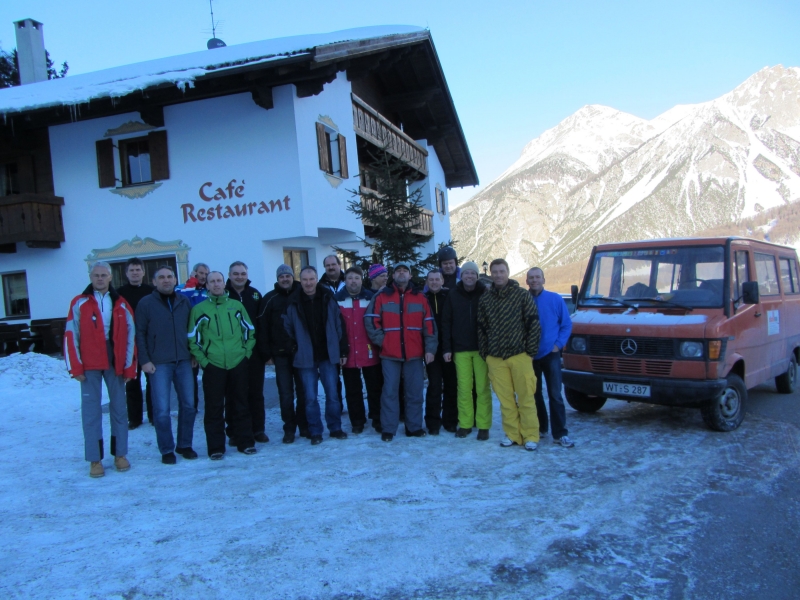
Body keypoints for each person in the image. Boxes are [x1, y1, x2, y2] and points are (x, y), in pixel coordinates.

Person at [64, 261, 136, 478]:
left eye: (104, 275)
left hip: (114, 361)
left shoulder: (121, 303)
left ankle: (120, 454)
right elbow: (70, 335)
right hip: (89, 362)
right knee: (91, 412)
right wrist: (75, 366)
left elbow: (131, 336)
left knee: (119, 410)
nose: (100, 279)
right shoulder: (79, 303)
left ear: (110, 277)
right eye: (96, 275)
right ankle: (95, 459)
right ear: (90, 276)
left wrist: (129, 366)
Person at [188, 271, 257, 459]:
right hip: (214, 365)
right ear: (207, 286)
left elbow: (250, 331)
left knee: (241, 404)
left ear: (223, 283)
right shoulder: (199, 309)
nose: (216, 284)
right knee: (214, 407)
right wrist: (204, 361)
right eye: (212, 282)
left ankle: (245, 442)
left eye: (219, 281)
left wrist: (245, 353)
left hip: (237, 362)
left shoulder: (236, 306)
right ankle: (216, 447)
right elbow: (193, 339)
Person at [366, 261, 437, 442]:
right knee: (389, 392)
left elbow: (429, 325)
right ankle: (388, 429)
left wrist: (430, 349)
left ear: (410, 275)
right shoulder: (382, 296)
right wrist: (384, 342)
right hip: (390, 355)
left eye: (405, 271)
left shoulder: (420, 297)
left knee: (414, 392)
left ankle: (414, 427)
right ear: (393, 275)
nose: (402, 273)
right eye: (398, 271)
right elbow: (371, 320)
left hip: (414, 354)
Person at [135, 266, 198, 464]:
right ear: (154, 282)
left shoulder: (183, 301)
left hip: (184, 361)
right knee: (161, 409)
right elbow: (140, 333)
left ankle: (184, 444)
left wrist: (193, 353)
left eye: (169, 277)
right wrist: (144, 360)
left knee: (188, 405)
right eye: (161, 277)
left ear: (174, 280)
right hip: (158, 363)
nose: (166, 280)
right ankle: (166, 449)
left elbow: (192, 329)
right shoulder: (145, 303)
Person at [477, 258, 541, 451]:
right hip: (496, 357)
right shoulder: (486, 299)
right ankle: (512, 434)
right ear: (491, 274)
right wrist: (485, 353)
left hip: (519, 354)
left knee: (526, 398)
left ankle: (530, 435)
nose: (498, 275)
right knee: (505, 401)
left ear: (508, 272)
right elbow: (481, 328)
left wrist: (530, 352)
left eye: (501, 271)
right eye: (494, 272)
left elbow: (533, 324)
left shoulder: (521, 295)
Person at [284, 266, 349, 445]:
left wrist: (342, 350)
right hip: (305, 357)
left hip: (328, 354)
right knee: (310, 398)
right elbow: (287, 328)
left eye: (311, 279)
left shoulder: (328, 298)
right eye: (304, 279)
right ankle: (315, 431)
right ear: (301, 280)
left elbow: (339, 325)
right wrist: (294, 348)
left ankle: (335, 428)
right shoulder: (294, 301)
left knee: (333, 394)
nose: (308, 283)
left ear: (316, 280)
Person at [257, 265, 309, 444]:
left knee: (303, 392)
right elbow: (262, 327)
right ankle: (289, 428)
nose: (285, 279)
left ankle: (304, 425)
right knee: (286, 394)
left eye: (288, 275)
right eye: (282, 276)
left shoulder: (301, 294)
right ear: (277, 279)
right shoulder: (270, 299)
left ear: (292, 277)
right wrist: (266, 354)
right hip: (280, 354)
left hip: (301, 352)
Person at [442, 261, 493, 439]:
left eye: (473, 273)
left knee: (482, 389)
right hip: (460, 349)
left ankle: (484, 425)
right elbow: (446, 322)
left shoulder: (485, 292)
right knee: (463, 389)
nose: (469, 276)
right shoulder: (454, 294)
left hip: (481, 349)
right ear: (461, 276)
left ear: (477, 276)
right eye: (466, 273)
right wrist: (447, 347)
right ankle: (465, 424)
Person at [527, 267, 574, 448]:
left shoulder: (555, 299)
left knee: (555, 394)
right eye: (531, 277)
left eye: (537, 277)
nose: (534, 280)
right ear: (527, 281)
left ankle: (560, 433)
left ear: (543, 279)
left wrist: (558, 345)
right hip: (530, 355)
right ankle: (541, 428)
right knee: (534, 394)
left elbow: (566, 324)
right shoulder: (524, 299)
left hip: (551, 354)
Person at [225, 261, 268, 444]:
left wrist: (265, 351)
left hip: (254, 353)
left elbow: (262, 324)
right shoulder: (224, 294)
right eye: (236, 274)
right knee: (234, 392)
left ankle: (258, 429)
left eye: (242, 273)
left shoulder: (255, 294)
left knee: (256, 392)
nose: (240, 277)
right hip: (232, 353)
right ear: (229, 275)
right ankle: (234, 431)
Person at [336, 266, 382, 433]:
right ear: (345, 281)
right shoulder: (337, 300)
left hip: (370, 350)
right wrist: (341, 350)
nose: (353, 281)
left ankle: (377, 418)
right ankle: (357, 421)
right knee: (352, 389)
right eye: (350, 278)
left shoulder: (371, 298)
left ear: (362, 280)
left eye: (356, 278)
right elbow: (336, 327)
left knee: (374, 387)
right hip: (348, 351)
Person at [117, 257, 155, 429]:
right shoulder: (119, 294)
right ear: (126, 273)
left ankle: (154, 415)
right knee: (132, 381)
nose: (135, 273)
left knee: (152, 381)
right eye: (131, 270)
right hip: (129, 343)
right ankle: (135, 418)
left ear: (143, 272)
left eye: (138, 270)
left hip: (149, 342)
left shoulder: (152, 291)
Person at [423, 269, 458, 435]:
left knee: (451, 385)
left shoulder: (450, 296)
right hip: (431, 350)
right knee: (434, 385)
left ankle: (450, 420)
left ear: (442, 281)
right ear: (427, 282)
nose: (435, 282)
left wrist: (449, 347)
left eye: (437, 279)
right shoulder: (423, 299)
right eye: (431, 280)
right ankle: (432, 422)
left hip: (449, 348)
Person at [178, 262, 210, 410]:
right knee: (190, 378)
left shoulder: (208, 291)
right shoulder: (183, 288)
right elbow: (181, 299)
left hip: (207, 341)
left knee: (210, 376)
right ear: (194, 273)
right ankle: (192, 407)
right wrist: (192, 282)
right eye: (200, 273)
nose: (203, 276)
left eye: (205, 274)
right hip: (188, 340)